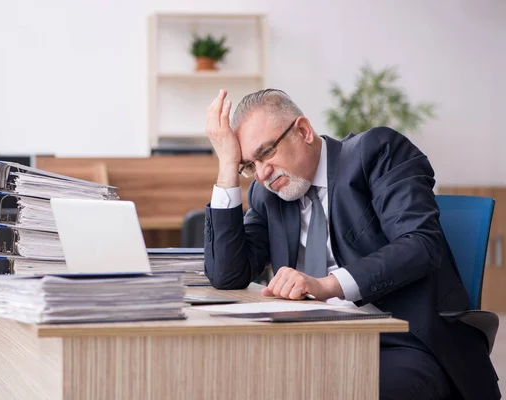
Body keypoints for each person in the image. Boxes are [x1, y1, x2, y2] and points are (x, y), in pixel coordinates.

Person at [203, 88, 500, 400]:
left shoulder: (375, 152)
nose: (262, 173)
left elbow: (419, 244)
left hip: (400, 339)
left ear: (303, 131)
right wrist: (227, 167)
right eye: (249, 165)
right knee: (233, 380)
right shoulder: (268, 195)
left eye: (266, 153)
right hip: (312, 341)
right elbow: (227, 274)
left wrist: (326, 285)